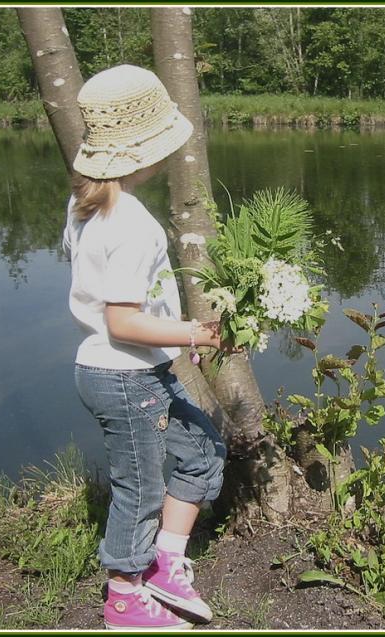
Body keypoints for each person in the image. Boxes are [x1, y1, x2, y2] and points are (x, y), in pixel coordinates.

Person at [62, 64, 229, 631]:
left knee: (203, 449)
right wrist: (196, 333)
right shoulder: (132, 225)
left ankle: (165, 563)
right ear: (146, 152)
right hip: (124, 376)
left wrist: (180, 332)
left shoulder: (85, 205)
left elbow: (120, 305)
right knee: (139, 487)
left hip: (134, 372)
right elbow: (123, 323)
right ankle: (124, 598)